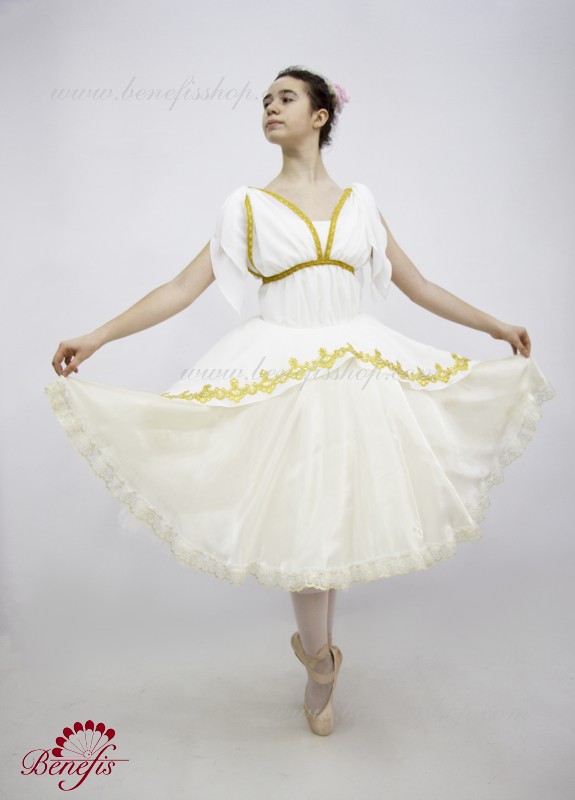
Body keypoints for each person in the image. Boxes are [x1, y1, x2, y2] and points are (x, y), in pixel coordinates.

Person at [45, 65, 556, 736]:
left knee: (329, 521)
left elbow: (419, 285)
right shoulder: (245, 207)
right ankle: (320, 662)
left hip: (358, 370)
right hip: (279, 371)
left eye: (285, 97)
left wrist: (494, 325)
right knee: (306, 523)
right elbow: (179, 288)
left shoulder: (360, 203)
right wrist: (98, 335)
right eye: (265, 100)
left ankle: (319, 660)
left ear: (320, 116)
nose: (269, 107)